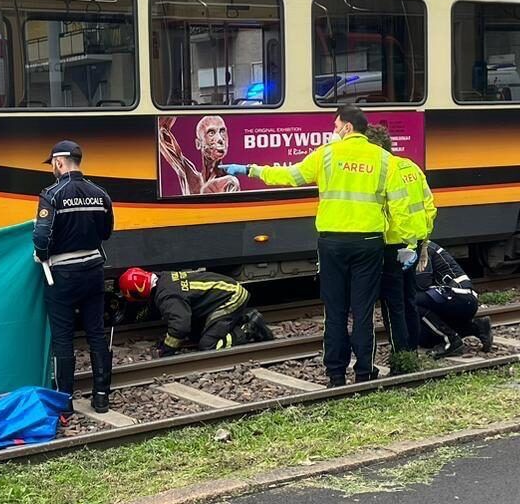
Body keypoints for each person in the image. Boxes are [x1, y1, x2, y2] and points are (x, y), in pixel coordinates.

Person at [221, 104, 405, 387]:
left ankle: (335, 374)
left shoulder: (327, 156)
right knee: (363, 310)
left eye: (335, 126)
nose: (333, 131)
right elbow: (399, 205)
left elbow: (289, 176)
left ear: (347, 127)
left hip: (332, 243)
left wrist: (249, 169)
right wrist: (406, 242)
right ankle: (365, 371)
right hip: (369, 244)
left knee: (335, 311)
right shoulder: (384, 160)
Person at [34, 140, 116, 415]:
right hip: (93, 270)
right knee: (96, 334)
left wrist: (42, 253)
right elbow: (106, 233)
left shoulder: (52, 194)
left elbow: (41, 237)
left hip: (62, 275)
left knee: (62, 338)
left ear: (59, 162)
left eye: (52, 165)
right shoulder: (100, 193)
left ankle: (64, 403)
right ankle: (102, 398)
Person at [116, 268, 274, 356]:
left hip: (232, 297)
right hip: (224, 293)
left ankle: (248, 330)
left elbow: (180, 326)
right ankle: (239, 320)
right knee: (196, 334)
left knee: (208, 345)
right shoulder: (163, 278)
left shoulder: (167, 296)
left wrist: (167, 348)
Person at [379, 153, 437, 374]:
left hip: (394, 243)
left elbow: (396, 209)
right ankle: (411, 352)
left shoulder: (384, 170)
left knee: (393, 303)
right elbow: (429, 206)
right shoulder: (410, 166)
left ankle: (401, 357)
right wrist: (422, 242)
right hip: (415, 240)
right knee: (408, 298)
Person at [411, 240, 493, 357]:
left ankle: (451, 341)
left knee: (411, 301)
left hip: (461, 296)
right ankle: (476, 327)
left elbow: (422, 283)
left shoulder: (422, 247)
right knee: (425, 340)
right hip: (452, 298)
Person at [157, 116, 242, 195]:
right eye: (211, 133)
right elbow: (160, 131)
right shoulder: (189, 176)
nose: (220, 139)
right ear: (198, 144)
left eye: (222, 131)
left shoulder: (229, 182)